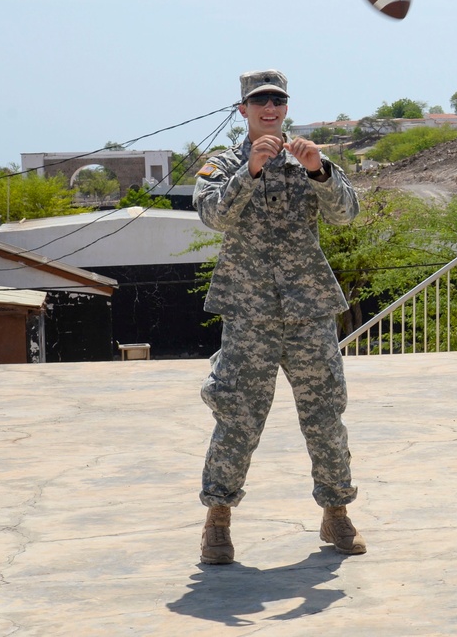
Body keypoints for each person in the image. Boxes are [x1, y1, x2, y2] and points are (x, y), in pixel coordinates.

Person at [193, 69, 365, 563]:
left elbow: (346, 213)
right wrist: (248, 173)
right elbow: (213, 216)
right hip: (250, 315)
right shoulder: (224, 163)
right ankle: (218, 522)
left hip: (308, 312)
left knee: (325, 415)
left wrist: (318, 172)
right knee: (237, 419)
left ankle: (336, 515)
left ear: (286, 108)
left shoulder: (308, 158)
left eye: (277, 101)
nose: (269, 109)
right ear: (242, 109)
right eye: (259, 102)